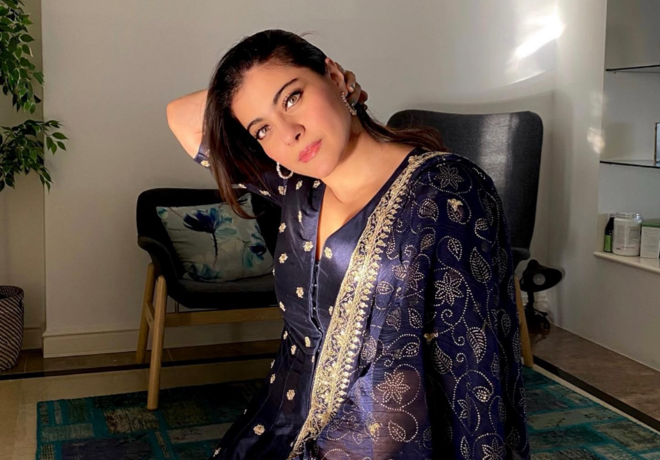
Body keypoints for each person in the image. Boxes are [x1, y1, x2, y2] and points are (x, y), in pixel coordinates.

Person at [167, 29, 530, 460]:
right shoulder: (297, 189)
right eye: (262, 128)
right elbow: (180, 115)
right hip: (278, 425)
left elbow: (473, 366)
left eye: (292, 98)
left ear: (336, 78)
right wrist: (242, 89)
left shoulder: (445, 193)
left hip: (382, 440)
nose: (289, 134)